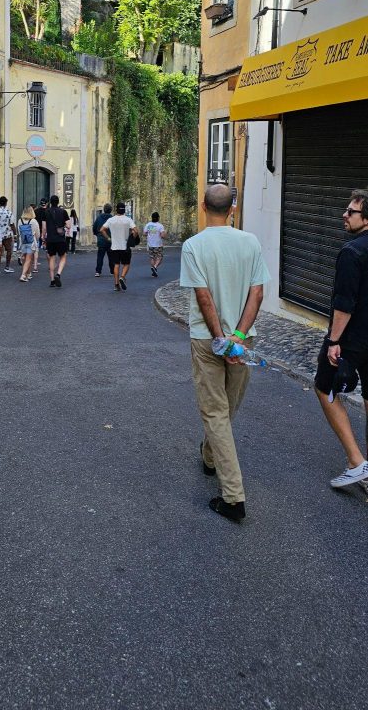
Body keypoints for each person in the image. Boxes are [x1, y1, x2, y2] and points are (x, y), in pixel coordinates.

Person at [179, 184, 270, 523]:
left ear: (203, 207)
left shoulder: (193, 246)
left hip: (208, 340)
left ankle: (232, 498)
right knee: (225, 408)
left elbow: (203, 298)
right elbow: (257, 294)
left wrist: (222, 340)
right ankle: (212, 459)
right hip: (242, 340)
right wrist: (238, 338)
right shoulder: (250, 242)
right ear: (232, 208)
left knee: (217, 412)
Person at [314, 189, 368, 489]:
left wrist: (334, 341)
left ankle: (356, 461)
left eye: (351, 211)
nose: (344, 215)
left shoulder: (352, 252)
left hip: (351, 340)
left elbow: (344, 303)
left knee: (324, 389)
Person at [100, 201, 138, 292]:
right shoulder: (128, 220)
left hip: (114, 246)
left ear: (116, 209)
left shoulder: (111, 220)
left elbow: (102, 230)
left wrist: (109, 239)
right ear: (124, 210)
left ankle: (116, 284)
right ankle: (122, 277)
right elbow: (136, 231)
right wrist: (132, 237)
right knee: (126, 264)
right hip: (125, 246)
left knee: (116, 265)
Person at [43, 194, 70, 288]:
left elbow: (44, 227)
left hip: (50, 238)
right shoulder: (63, 212)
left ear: (50, 202)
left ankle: (52, 280)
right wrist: (63, 225)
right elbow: (69, 225)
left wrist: (43, 237)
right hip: (60, 239)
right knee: (63, 257)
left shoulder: (46, 212)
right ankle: (58, 274)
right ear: (58, 202)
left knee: (52, 258)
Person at [17, 205, 40, 281]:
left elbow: (19, 232)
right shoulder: (33, 221)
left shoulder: (20, 221)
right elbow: (37, 234)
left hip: (23, 242)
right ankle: (23, 275)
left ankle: (28, 273)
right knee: (28, 259)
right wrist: (36, 240)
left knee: (24, 258)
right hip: (31, 242)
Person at [0, 195, 17, 274]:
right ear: (6, 203)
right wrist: (15, 233)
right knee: (9, 250)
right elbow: (12, 224)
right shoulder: (9, 212)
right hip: (7, 234)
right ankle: (7, 267)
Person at [93, 203, 114, 278]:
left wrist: (98, 235)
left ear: (104, 209)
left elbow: (94, 228)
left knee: (100, 257)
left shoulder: (99, 217)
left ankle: (98, 272)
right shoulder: (112, 218)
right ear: (111, 210)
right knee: (111, 257)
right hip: (110, 240)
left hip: (101, 240)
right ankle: (112, 271)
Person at [144, 212, 167, 277]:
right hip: (158, 244)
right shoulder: (160, 226)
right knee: (160, 257)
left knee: (152, 257)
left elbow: (145, 233)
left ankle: (154, 272)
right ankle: (155, 266)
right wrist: (165, 234)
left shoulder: (148, 225)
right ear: (158, 218)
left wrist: (150, 234)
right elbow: (162, 235)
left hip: (150, 244)